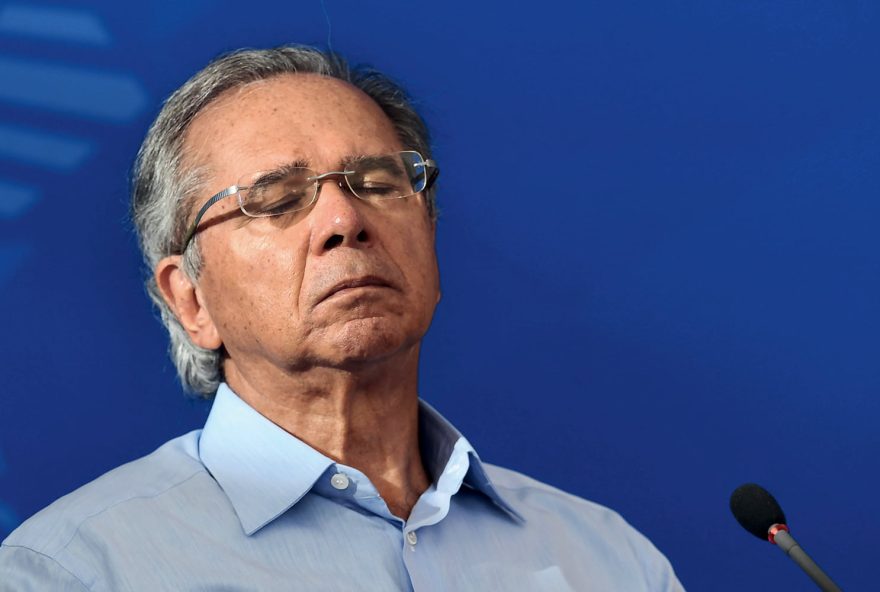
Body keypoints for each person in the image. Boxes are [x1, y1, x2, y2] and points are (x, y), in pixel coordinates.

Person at [0, 45, 685, 591]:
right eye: (275, 199)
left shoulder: (608, 560)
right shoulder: (76, 571)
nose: (344, 220)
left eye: (379, 183)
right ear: (191, 300)